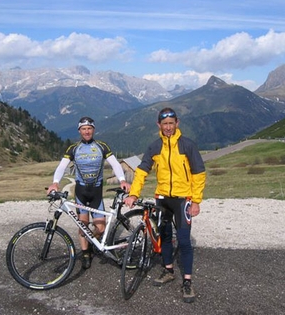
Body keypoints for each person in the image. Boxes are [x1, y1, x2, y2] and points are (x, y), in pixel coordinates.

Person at [124, 108, 206, 303]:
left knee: (184, 240)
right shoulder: (154, 147)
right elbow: (142, 171)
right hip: (162, 199)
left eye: (171, 123)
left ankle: (187, 281)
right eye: (164, 124)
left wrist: (196, 201)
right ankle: (168, 270)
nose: (168, 127)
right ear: (158, 125)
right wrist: (134, 193)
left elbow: (199, 174)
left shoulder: (188, 145)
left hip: (183, 199)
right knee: (165, 237)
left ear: (177, 123)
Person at [47, 116, 130, 270]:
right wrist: (55, 183)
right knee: (82, 225)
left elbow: (115, 164)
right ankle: (86, 253)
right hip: (81, 191)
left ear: (93, 130)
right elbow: (61, 166)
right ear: (79, 131)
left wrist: (122, 180)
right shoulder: (73, 149)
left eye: (89, 128)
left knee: (101, 228)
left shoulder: (102, 146)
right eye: (83, 129)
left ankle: (92, 244)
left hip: (96, 192)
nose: (87, 131)